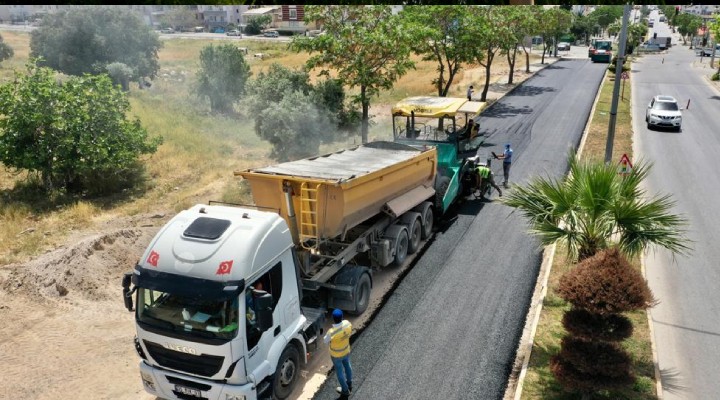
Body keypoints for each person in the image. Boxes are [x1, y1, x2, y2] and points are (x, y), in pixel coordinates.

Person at [324, 309, 353, 399]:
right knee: (348, 366)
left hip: (336, 356)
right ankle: (349, 383)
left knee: (340, 372)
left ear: (333, 318)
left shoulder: (331, 332)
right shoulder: (347, 324)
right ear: (342, 317)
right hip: (346, 351)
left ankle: (345, 390)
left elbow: (325, 341)